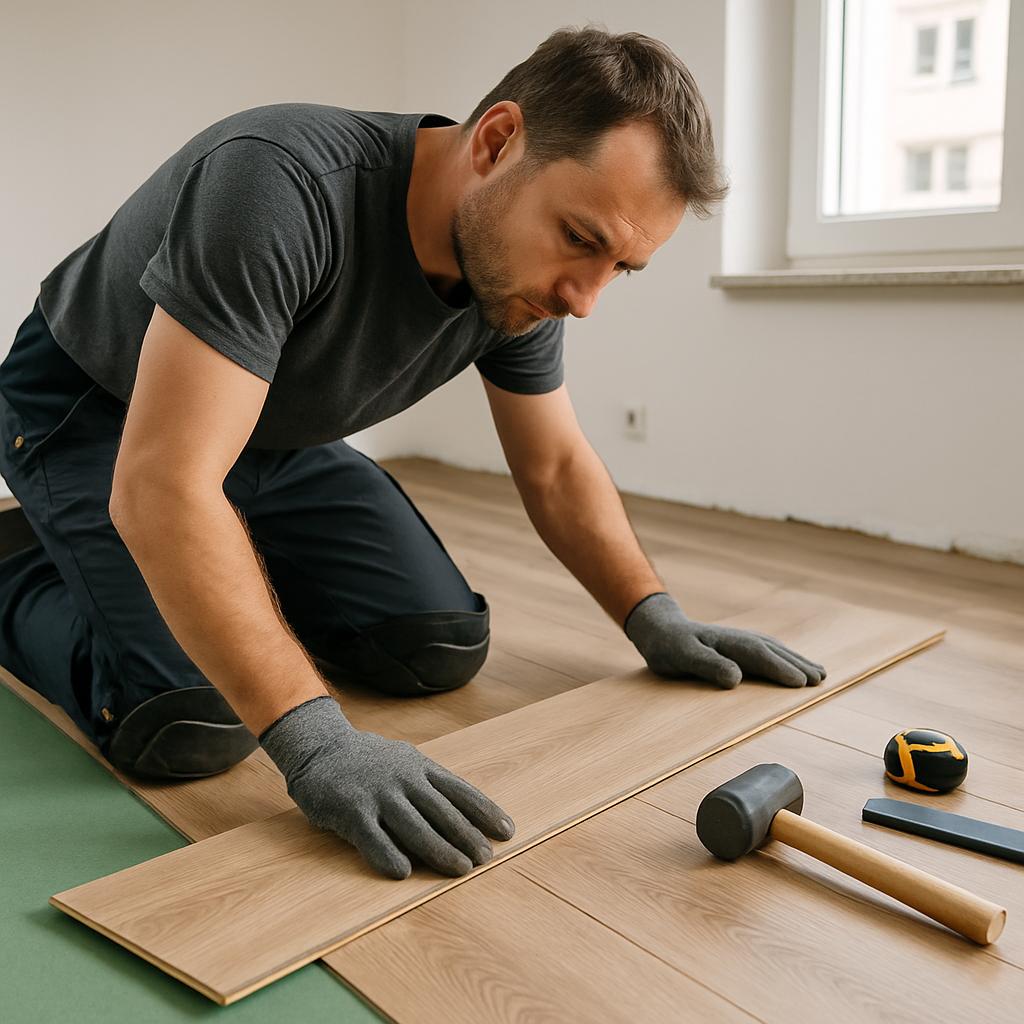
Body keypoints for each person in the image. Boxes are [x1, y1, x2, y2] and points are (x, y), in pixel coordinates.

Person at [0, 26, 825, 881]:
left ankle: (202, 560)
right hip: (93, 409)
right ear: (498, 141)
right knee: (192, 717)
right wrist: (317, 741)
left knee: (435, 644)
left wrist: (653, 614)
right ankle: (22, 571)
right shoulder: (279, 183)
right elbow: (165, 481)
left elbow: (554, 464)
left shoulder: (516, 278)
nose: (586, 298)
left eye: (624, 267)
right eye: (581, 238)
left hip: (265, 433)